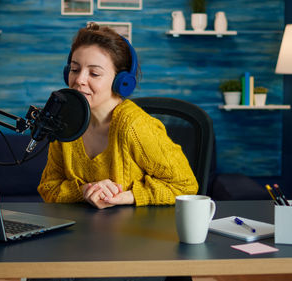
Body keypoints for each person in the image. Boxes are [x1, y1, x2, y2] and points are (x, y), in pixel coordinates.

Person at [37, 22, 198, 209]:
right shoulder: (63, 123)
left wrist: (127, 196)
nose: (79, 80)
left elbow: (186, 186)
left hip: (133, 233)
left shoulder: (136, 127)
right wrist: (85, 191)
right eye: (74, 69)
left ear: (122, 82)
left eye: (94, 73)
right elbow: (48, 188)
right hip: (81, 232)